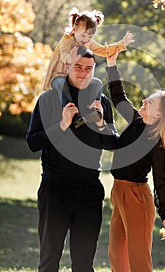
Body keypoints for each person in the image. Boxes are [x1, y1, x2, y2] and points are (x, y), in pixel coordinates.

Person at [26, 46, 118, 272]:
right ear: (68, 66)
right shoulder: (48, 99)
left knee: (84, 263)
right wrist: (62, 126)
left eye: (89, 68)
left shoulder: (101, 101)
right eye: (78, 67)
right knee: (49, 260)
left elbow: (113, 143)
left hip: (89, 191)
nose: (83, 73)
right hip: (55, 190)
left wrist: (100, 124)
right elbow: (32, 143)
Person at [105, 48, 165, 272]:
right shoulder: (137, 120)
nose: (144, 100)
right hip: (118, 192)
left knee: (139, 262)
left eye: (150, 102)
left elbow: (161, 179)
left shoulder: (156, 142)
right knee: (117, 257)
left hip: (137, 198)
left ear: (158, 116)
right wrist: (111, 64)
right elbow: (118, 97)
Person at [42, 7, 134, 127]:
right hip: (59, 75)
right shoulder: (67, 39)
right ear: (74, 29)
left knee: (97, 83)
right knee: (61, 84)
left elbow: (104, 50)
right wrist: (71, 59)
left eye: (90, 37)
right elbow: (64, 54)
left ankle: (94, 110)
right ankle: (74, 114)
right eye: (83, 36)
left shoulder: (88, 42)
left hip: (77, 78)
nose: (86, 40)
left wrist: (122, 44)